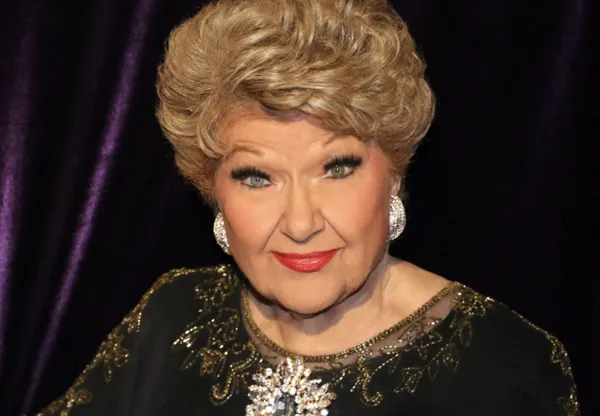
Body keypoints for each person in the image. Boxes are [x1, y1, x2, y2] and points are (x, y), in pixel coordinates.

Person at [37, 0, 580, 414]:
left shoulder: (504, 368)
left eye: (337, 169)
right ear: (212, 188)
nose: (300, 223)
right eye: (257, 177)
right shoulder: (171, 316)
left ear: (395, 171)